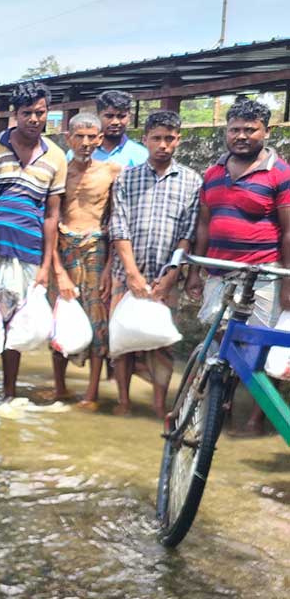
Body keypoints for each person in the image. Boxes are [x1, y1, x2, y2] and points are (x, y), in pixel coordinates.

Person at [186, 99, 290, 434]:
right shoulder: (213, 173)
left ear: (266, 131)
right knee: (222, 340)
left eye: (250, 129)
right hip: (219, 272)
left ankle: (258, 418)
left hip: (263, 275)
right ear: (225, 132)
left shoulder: (280, 173)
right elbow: (204, 223)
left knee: (260, 349)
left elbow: (288, 230)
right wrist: (194, 271)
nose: (241, 136)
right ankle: (223, 406)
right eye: (235, 130)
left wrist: (288, 281)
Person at [0, 82, 66, 405]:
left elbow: (52, 215)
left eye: (40, 113)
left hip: (29, 254)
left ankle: (9, 394)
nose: (34, 119)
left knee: (18, 326)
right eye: (27, 113)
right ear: (15, 114)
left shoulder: (55, 156)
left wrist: (45, 266)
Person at [109, 111, 201, 415]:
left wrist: (172, 276)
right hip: (127, 274)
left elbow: (187, 234)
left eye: (169, 138)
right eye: (157, 138)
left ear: (178, 140)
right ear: (145, 139)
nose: (163, 144)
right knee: (122, 340)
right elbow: (118, 227)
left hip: (166, 277)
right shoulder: (126, 178)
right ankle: (123, 401)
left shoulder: (191, 181)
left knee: (163, 344)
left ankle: (160, 405)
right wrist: (133, 274)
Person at [49, 113, 121, 408]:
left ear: (100, 139)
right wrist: (56, 268)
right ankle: (60, 388)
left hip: (96, 248)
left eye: (92, 137)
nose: (86, 143)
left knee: (97, 321)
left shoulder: (111, 171)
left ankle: (91, 394)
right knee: (58, 317)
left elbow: (117, 221)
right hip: (63, 248)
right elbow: (50, 221)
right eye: (80, 137)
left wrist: (108, 268)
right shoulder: (58, 171)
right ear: (69, 138)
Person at [86, 90, 149, 167]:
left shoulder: (141, 154)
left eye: (121, 116)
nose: (115, 122)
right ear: (98, 116)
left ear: (129, 117)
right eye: (109, 116)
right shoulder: (80, 152)